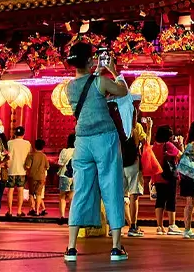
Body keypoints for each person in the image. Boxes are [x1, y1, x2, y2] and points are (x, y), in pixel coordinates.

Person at [63, 42, 130, 263]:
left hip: (82, 142)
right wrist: (114, 70)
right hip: (105, 139)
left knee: (80, 190)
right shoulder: (101, 81)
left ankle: (71, 248)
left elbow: (89, 98)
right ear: (90, 61)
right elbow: (122, 91)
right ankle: (116, 247)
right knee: (111, 186)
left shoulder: (69, 87)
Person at [151, 125, 178, 234]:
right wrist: (180, 145)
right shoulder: (168, 145)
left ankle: (159, 226)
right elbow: (181, 155)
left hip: (158, 176)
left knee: (160, 200)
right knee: (171, 199)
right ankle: (172, 225)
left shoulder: (154, 146)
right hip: (169, 176)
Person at [124, 121, 146, 237]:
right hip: (133, 162)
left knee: (120, 196)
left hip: (118, 162)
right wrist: (150, 128)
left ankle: (114, 227)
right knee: (134, 194)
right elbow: (145, 142)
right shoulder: (136, 126)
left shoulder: (116, 123)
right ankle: (133, 226)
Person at [5, 125, 31, 218]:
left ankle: (10, 211)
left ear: (15, 134)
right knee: (20, 190)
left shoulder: (9, 143)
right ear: (23, 134)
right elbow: (29, 156)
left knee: (10, 191)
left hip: (11, 169)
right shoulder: (27, 144)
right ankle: (19, 211)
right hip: (22, 170)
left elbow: (6, 155)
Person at [24, 137, 49, 216]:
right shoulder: (44, 156)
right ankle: (38, 211)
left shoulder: (31, 155)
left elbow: (27, 166)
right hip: (41, 177)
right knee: (38, 194)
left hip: (32, 176)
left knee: (31, 194)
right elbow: (47, 167)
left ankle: (33, 209)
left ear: (34, 146)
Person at [56, 133, 76, 221]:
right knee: (72, 196)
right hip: (75, 176)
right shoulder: (79, 151)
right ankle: (71, 215)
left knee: (62, 196)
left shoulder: (64, 151)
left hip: (64, 175)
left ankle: (62, 216)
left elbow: (60, 163)